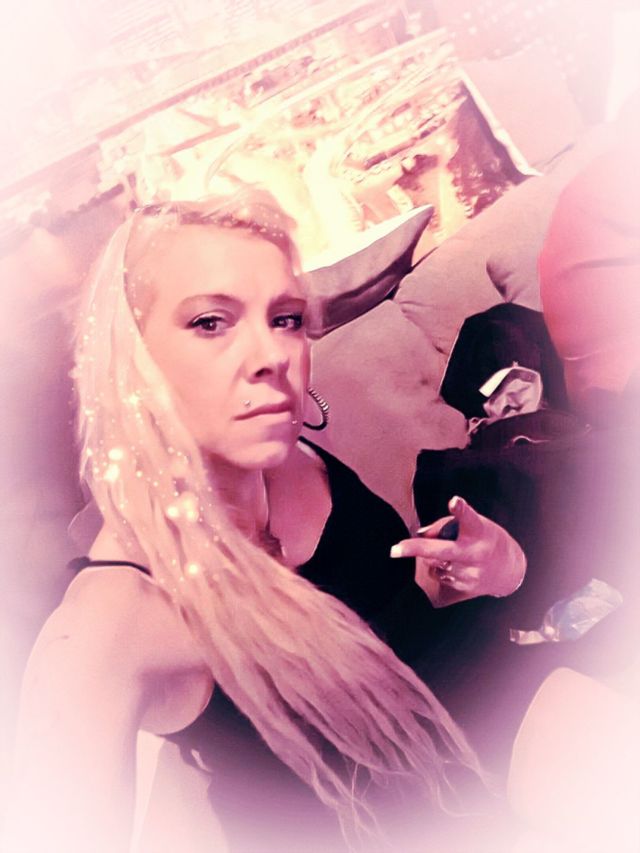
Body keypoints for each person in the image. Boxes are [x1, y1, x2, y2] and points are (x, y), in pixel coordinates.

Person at [5, 192, 526, 853]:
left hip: (489, 711)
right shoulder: (110, 623)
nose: (272, 355)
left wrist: (492, 568)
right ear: (134, 359)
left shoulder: (295, 457)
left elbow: (382, 620)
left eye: (285, 318)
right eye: (210, 322)